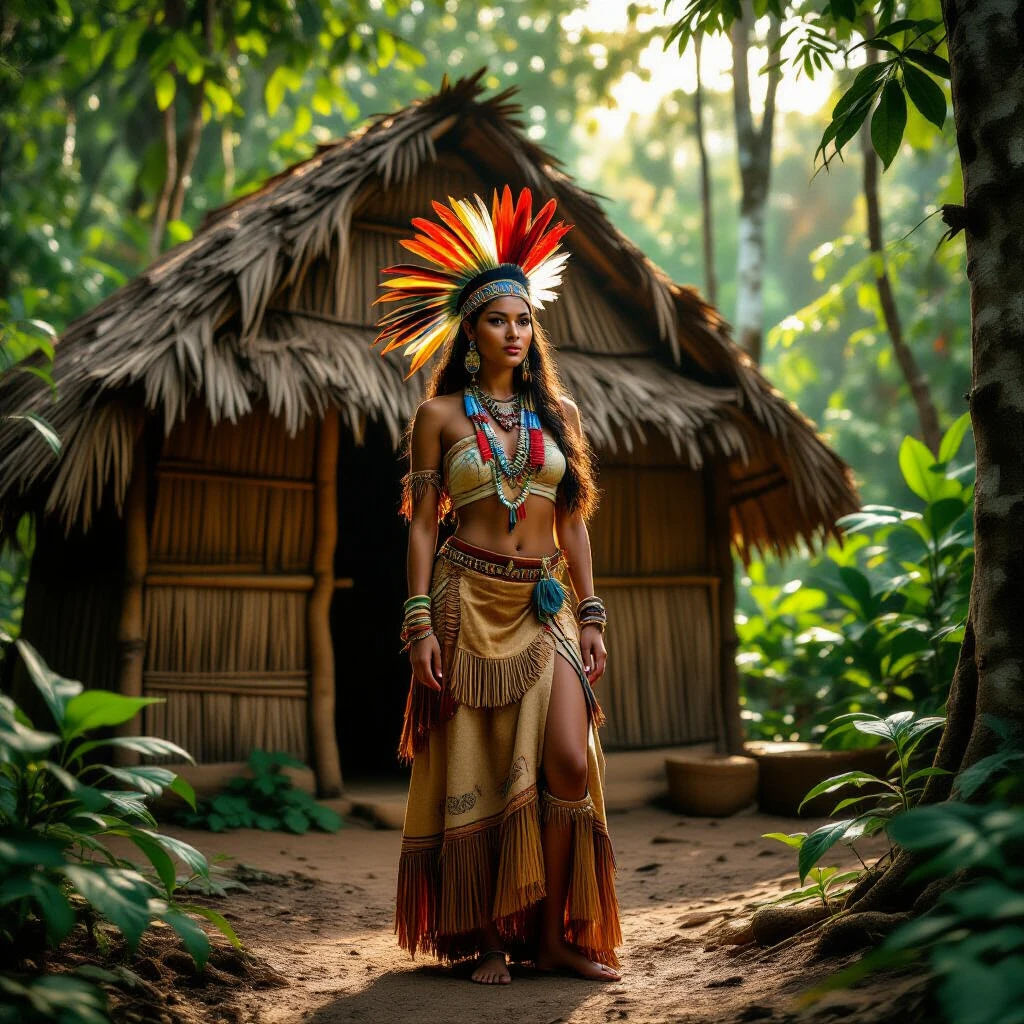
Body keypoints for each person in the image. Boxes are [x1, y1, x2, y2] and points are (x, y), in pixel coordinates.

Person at [375, 187, 622, 985]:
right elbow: (421, 523)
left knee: (567, 762)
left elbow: (572, 520)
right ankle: (488, 940)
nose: (514, 333)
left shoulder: (560, 415)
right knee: (477, 767)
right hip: (464, 602)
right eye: (497, 320)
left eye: (523, 320)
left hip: (541, 603)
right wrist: (418, 625)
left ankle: (551, 937)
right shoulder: (439, 416)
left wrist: (591, 614)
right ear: (471, 332)